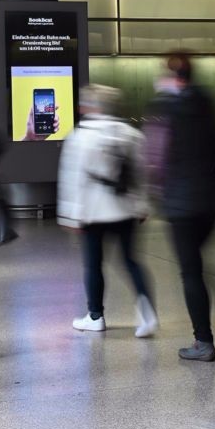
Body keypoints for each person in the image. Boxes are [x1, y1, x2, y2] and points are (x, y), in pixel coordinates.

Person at [57, 84, 158, 338]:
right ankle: (147, 313)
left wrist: (70, 215)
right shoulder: (132, 135)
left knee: (93, 264)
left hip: (92, 213)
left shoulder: (80, 137)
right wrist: (143, 205)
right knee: (131, 261)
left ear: (89, 107)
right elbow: (142, 174)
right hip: (126, 210)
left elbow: (72, 179)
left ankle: (95, 316)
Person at [144, 51, 215, 362]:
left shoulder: (162, 107)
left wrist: (154, 190)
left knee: (191, 272)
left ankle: (203, 341)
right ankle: (203, 334)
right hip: (211, 200)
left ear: (169, 75)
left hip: (180, 204)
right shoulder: (207, 102)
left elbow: (155, 157)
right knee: (196, 264)